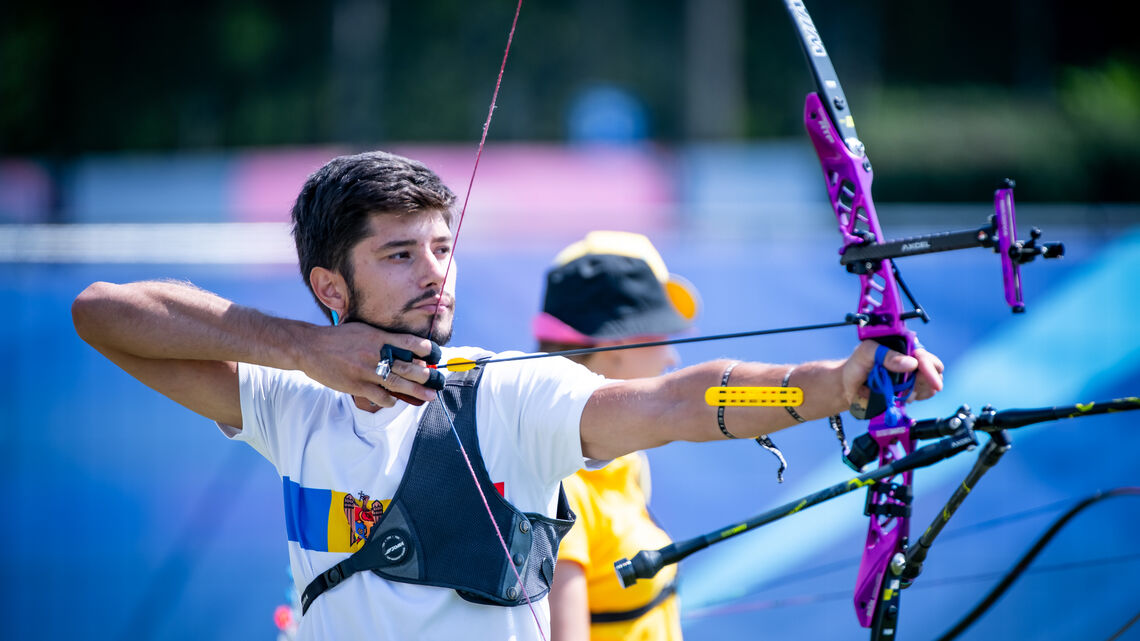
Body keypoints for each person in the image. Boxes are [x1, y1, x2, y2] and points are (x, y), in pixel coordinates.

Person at [71, 150, 944, 641]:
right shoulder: (286, 401)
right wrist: (307, 349)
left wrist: (833, 384)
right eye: (401, 254)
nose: (436, 274)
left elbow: (677, 400)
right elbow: (102, 313)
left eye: (442, 247)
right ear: (330, 285)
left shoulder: (508, 397)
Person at [537, 231, 694, 641]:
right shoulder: (559, 486)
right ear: (616, 342)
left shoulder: (624, 458)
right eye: (659, 332)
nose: (671, 356)